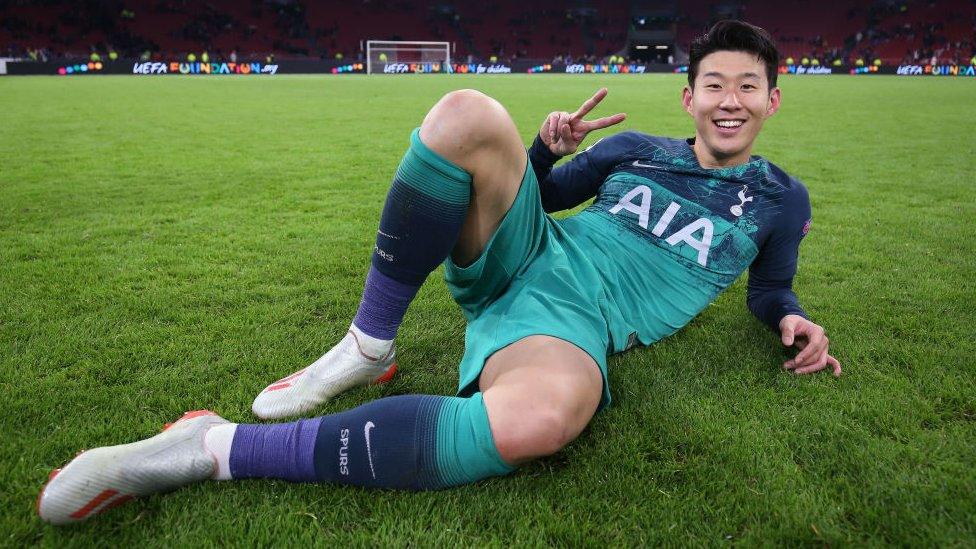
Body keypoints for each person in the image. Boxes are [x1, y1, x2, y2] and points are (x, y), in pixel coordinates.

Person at [38, 20, 839, 525]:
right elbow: (544, 194)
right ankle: (367, 343)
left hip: (575, 318)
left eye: (747, 86)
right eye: (714, 85)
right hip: (533, 252)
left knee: (540, 421)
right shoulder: (635, 151)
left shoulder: (779, 199)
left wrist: (789, 318)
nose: (729, 100)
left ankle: (208, 446)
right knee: (466, 114)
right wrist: (542, 150)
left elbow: (768, 285)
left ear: (773, 99)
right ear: (689, 96)